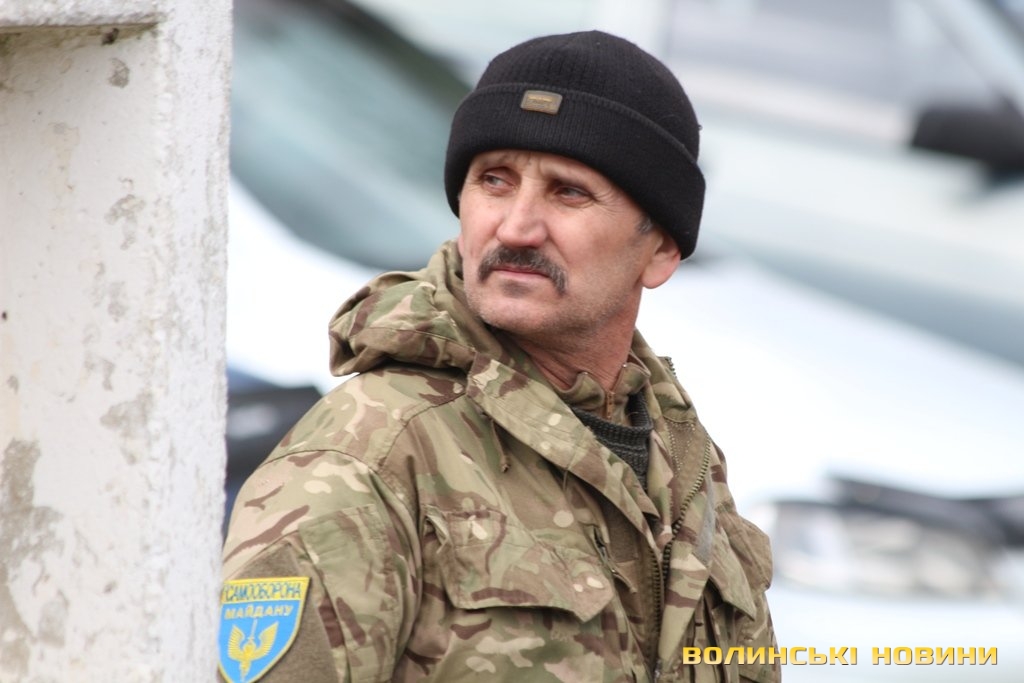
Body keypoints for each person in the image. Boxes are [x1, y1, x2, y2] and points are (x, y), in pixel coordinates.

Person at [219, 30, 779, 683]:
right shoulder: (370, 452)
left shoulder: (678, 453)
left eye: (568, 192)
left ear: (659, 250)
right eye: (494, 180)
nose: (516, 227)